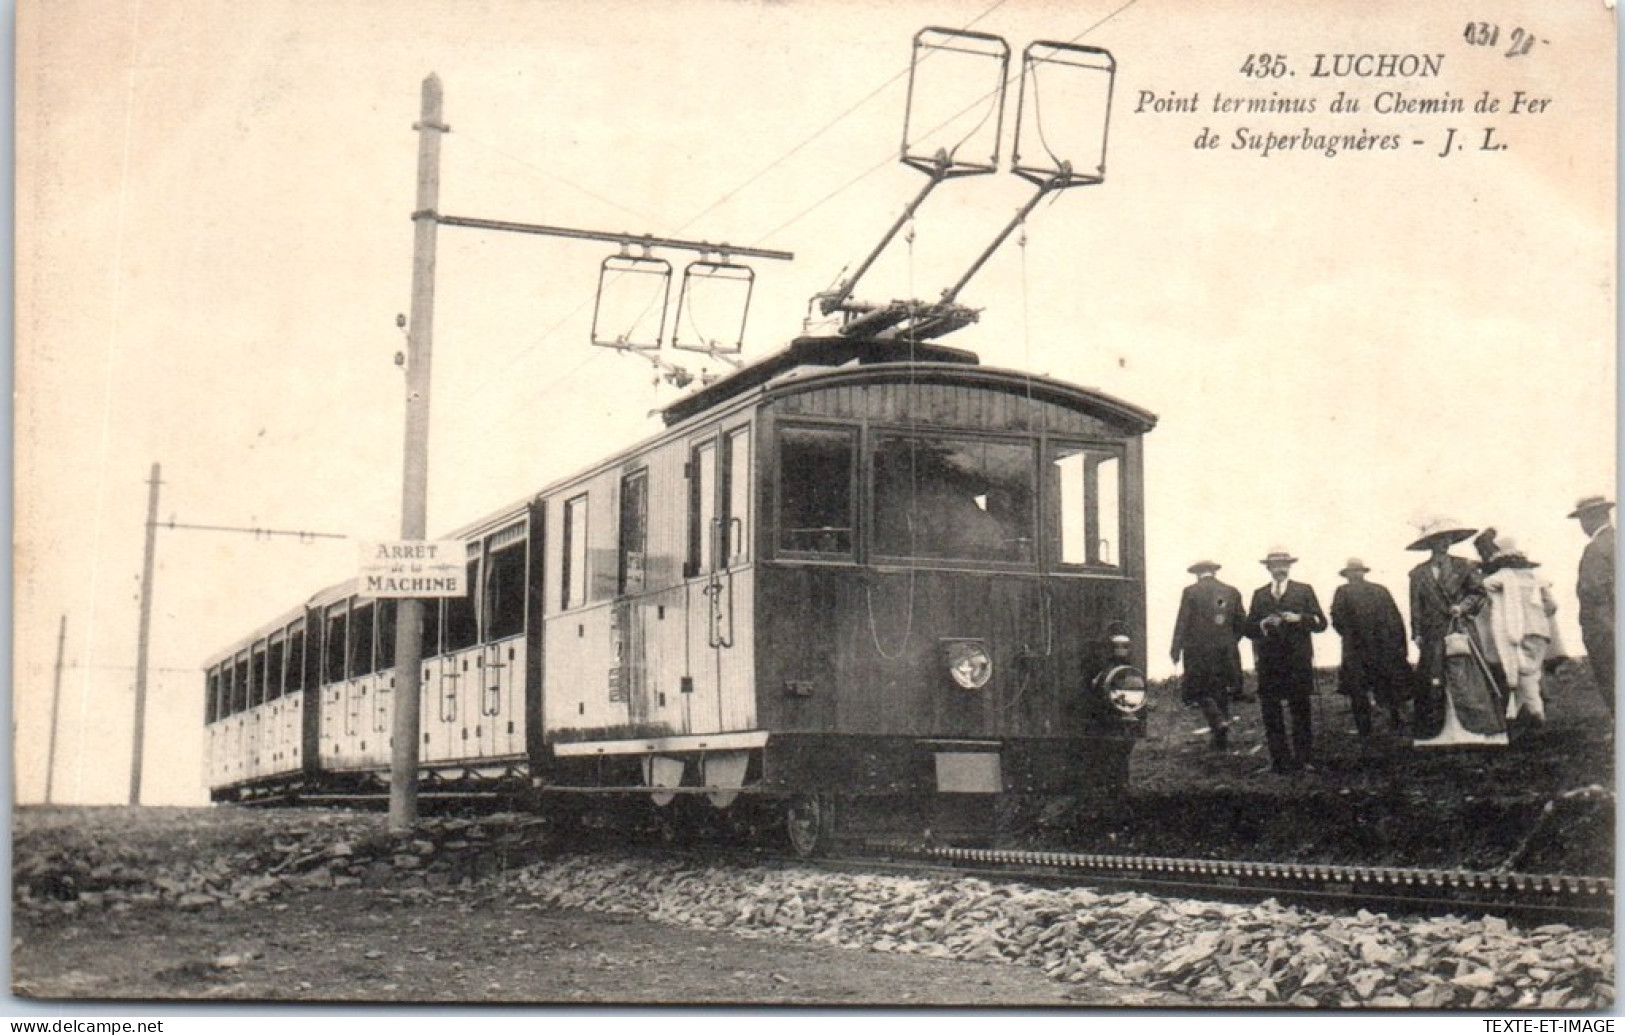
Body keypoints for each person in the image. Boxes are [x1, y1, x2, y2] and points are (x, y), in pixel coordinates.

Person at [1407, 516, 1504, 746]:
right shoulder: (1418, 573)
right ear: (1429, 543)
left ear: (1451, 540)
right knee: (1434, 676)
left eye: (1446, 539)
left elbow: (1479, 593)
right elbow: (1415, 605)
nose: (1443, 543)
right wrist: (1417, 632)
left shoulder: (1465, 566)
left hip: (1460, 628)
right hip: (1432, 633)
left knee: (1465, 674)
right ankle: (1437, 733)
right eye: (1437, 540)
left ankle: (1475, 727)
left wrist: (1463, 607)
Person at [1244, 548, 1327, 773]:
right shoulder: (1259, 594)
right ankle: (1279, 761)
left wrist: (1300, 618)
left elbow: (1321, 623)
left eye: (1284, 565)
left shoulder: (1304, 590)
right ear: (1268, 568)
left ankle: (1303, 759)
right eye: (1275, 565)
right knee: (1271, 711)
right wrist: (1263, 623)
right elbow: (1248, 628)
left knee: (1300, 709)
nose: (1280, 569)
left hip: (1297, 661)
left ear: (1289, 566)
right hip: (1269, 662)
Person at [1477, 534, 1559, 726]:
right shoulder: (1536, 578)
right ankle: (1526, 713)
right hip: (1540, 630)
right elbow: (1552, 605)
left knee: (1523, 671)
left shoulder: (1501, 578)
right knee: (1532, 670)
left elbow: (1484, 585)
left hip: (1516, 629)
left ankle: (1535, 712)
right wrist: (1537, 614)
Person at [1329, 558, 1411, 738]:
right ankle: (1372, 726)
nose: (1355, 575)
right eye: (1353, 572)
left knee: (1372, 687)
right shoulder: (1346, 592)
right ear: (1348, 575)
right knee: (1366, 688)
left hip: (1370, 648)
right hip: (1369, 648)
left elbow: (1394, 618)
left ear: (1362, 573)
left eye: (1357, 572)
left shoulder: (1376, 591)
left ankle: (1382, 723)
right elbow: (1337, 620)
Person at [1170, 560, 1246, 750]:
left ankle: (1218, 721)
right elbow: (1241, 623)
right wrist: (1229, 641)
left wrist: (1176, 649)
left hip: (1198, 651)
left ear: (1197, 574)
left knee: (1198, 690)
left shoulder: (1191, 592)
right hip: (1225, 651)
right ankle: (1220, 739)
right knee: (1221, 690)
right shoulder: (1232, 591)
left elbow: (1183, 622)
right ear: (1213, 572)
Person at [1569, 495, 1615, 715]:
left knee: (1611, 681)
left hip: (1606, 630)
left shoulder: (1595, 549)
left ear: (1589, 519)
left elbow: (1592, 593)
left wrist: (1604, 632)